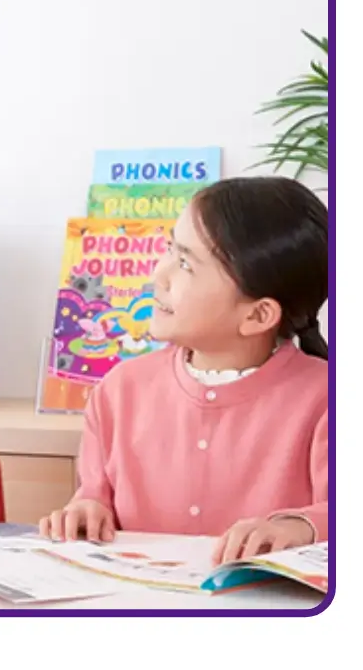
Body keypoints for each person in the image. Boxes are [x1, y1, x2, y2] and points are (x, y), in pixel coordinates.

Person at [39, 176, 328, 566]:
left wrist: (301, 527)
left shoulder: (325, 400)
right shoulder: (119, 390)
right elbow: (94, 495)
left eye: (186, 264)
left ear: (258, 315)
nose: (159, 274)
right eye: (170, 249)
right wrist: (86, 511)